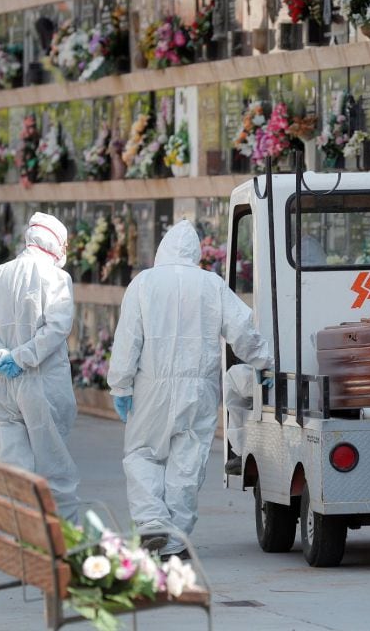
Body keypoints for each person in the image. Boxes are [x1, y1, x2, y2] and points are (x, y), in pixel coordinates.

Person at [108, 220, 272, 558]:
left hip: (150, 385)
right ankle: (174, 537)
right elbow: (241, 327)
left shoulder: (143, 283)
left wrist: (120, 384)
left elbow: (128, 339)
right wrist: (264, 362)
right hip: (199, 386)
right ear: (196, 253)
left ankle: (151, 521)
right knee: (188, 458)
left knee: (142, 453)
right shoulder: (210, 284)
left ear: (163, 249)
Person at [0, 212, 81, 521]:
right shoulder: (56, 278)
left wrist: (0, 358)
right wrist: (22, 357)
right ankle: (63, 539)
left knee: (12, 465)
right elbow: (56, 329)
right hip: (40, 383)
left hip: (0, 384)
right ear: (56, 242)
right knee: (53, 465)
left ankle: (19, 535)